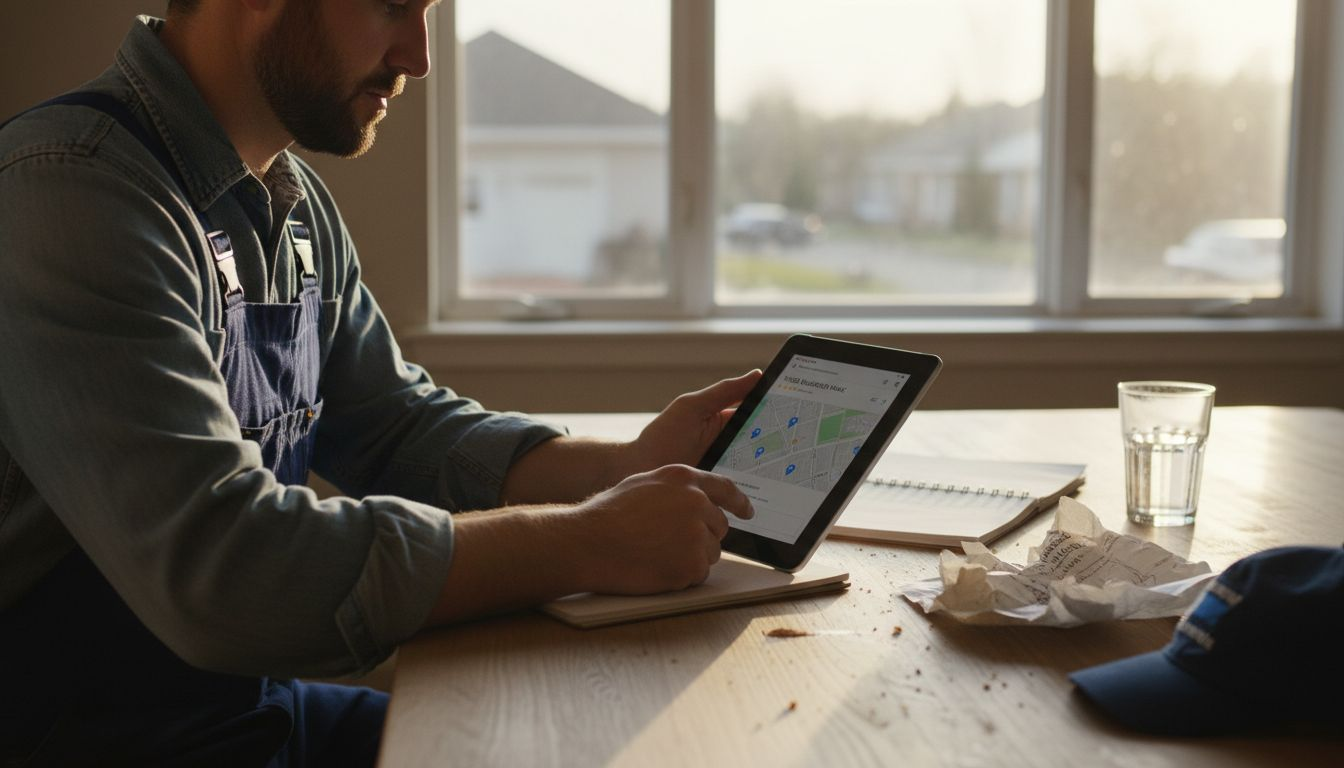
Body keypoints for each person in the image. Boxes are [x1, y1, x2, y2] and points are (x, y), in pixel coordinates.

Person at [0, 1, 757, 765]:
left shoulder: (294, 209)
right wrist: (589, 541)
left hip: (245, 714)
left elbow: (395, 425)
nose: (418, 57)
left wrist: (615, 468)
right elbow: (226, 572)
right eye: (392, 7)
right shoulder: (68, 193)